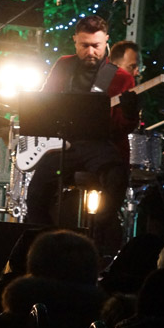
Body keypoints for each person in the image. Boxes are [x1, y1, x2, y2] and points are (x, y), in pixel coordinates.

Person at [24, 14, 138, 254]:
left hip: (100, 144)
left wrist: (129, 113)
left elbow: (125, 127)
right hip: (63, 144)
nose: (91, 52)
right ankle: (44, 248)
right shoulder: (63, 65)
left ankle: (98, 244)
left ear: (106, 41)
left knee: (116, 179)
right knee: (35, 194)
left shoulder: (121, 78)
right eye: (84, 45)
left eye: (96, 46)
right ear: (75, 41)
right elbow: (44, 103)